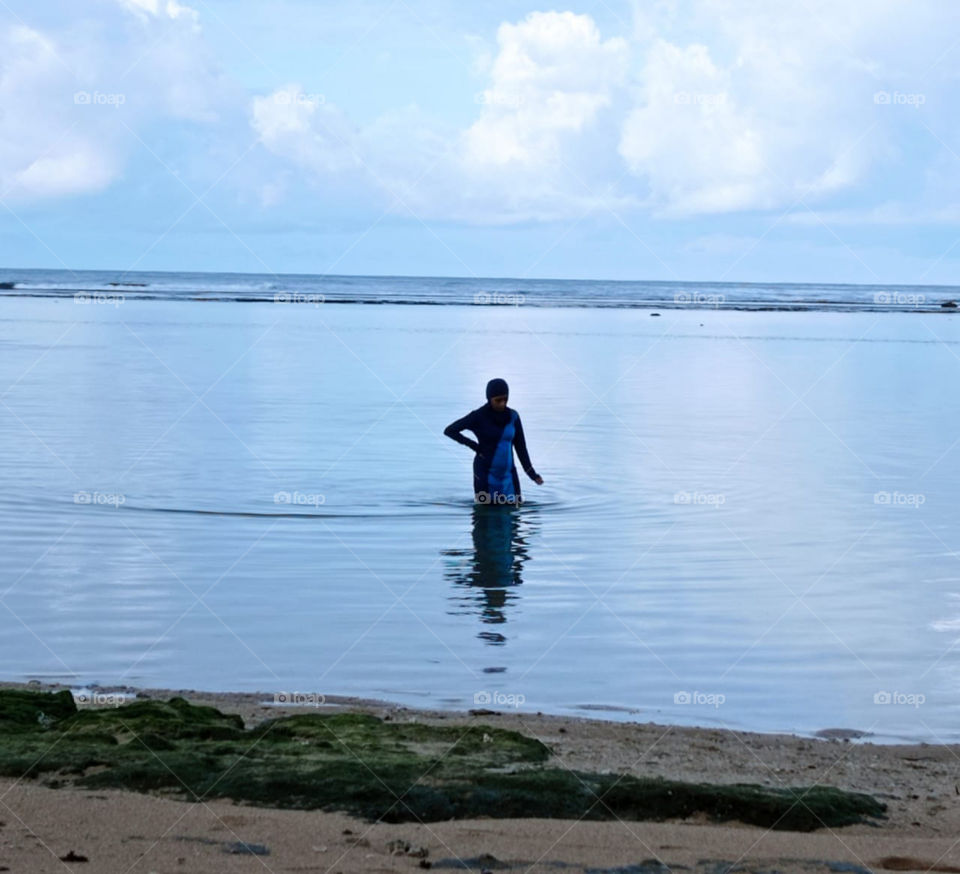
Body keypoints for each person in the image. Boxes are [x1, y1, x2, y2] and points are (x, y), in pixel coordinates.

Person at [444, 378, 544, 505]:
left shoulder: (513, 417)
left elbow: (521, 448)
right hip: (484, 474)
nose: (502, 403)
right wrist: (474, 446)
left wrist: (532, 474)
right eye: (498, 400)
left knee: (515, 511)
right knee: (485, 514)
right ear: (489, 398)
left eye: (505, 399)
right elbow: (450, 430)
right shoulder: (478, 416)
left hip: (508, 474)